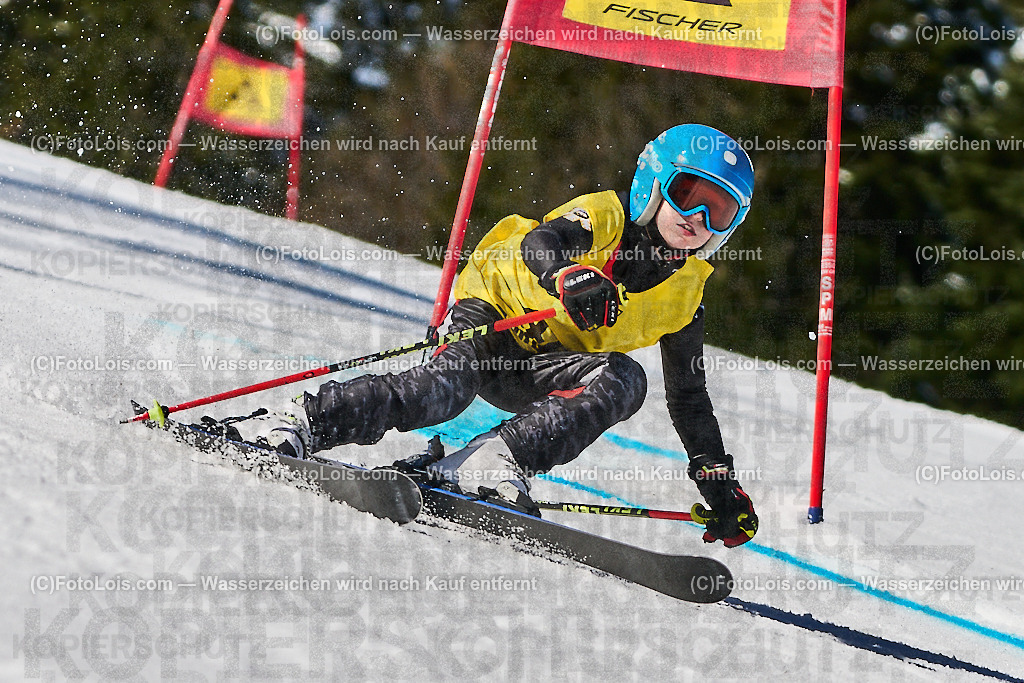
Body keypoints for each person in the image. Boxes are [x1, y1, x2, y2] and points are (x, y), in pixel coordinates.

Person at [236, 123, 758, 548]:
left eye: (719, 211)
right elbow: (542, 241)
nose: (697, 218)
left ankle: (487, 461)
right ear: (654, 183)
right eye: (687, 195)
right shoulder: (607, 216)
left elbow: (689, 397)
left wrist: (716, 479)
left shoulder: (686, 295)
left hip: (542, 366)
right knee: (439, 392)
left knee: (627, 379)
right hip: (492, 318)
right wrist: (566, 275)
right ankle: (299, 421)